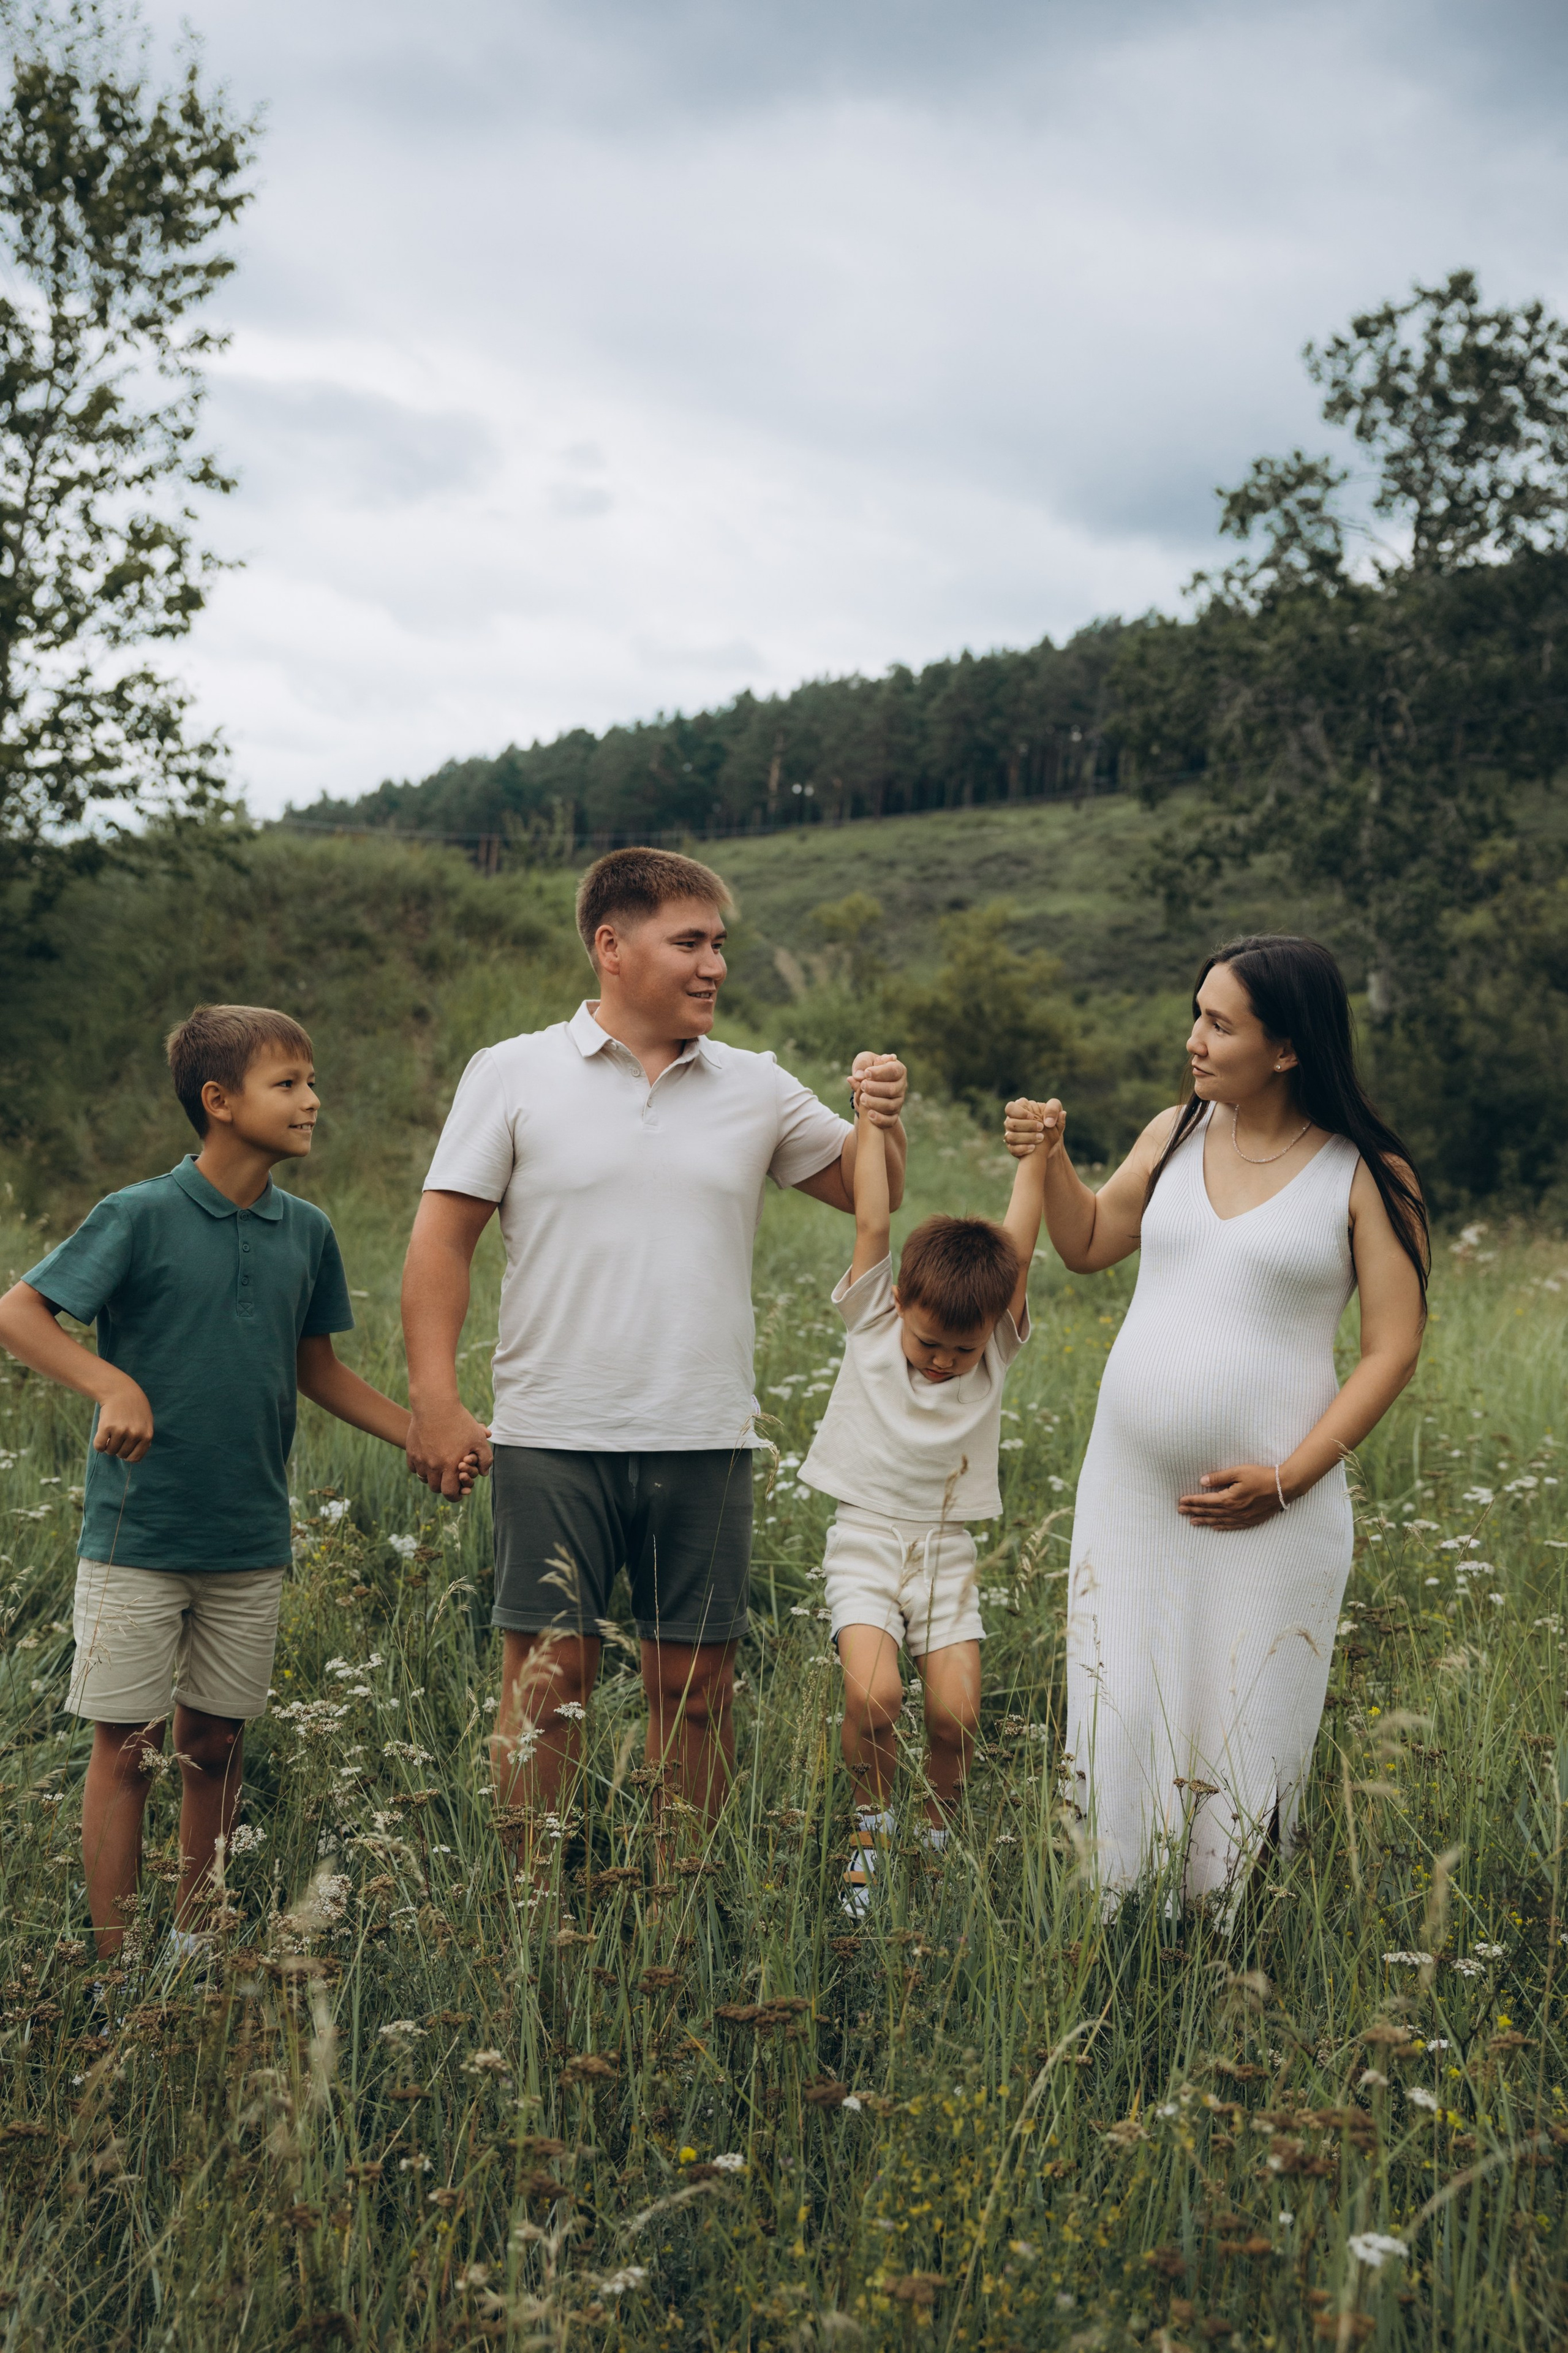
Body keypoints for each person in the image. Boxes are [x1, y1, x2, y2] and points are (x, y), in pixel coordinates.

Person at [401, 846, 908, 1852]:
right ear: (611, 947)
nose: (715, 964)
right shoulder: (511, 1073)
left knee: (698, 1685)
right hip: (552, 1431)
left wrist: (880, 1116)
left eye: (720, 944)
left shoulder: (756, 1085)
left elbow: (865, 1191)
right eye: (690, 942)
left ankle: (681, 1906)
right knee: (550, 1680)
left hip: (704, 1435)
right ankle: (528, 1902)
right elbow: (440, 1239)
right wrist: (435, 1398)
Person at [0, 1005, 442, 1971]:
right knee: (126, 1748)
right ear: (219, 1101)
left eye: (312, 1081)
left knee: (215, 1743)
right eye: (288, 1084)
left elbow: (314, 1368)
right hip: (139, 1532)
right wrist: (111, 1381)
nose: (312, 1100)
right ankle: (120, 1971)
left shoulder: (307, 1231)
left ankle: (197, 1942)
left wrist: (420, 1431)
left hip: (249, 1536)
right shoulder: (139, 1214)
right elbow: (20, 1312)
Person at [1011, 935, 1428, 1908]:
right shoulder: (1176, 1130)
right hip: (1128, 1493)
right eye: (1196, 1012)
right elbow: (1084, 1242)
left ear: (1286, 1047)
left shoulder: (1367, 1171)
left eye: (1219, 1022)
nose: (1193, 1038)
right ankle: (1117, 1916)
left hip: (1275, 1510)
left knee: (1244, 1722)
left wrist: (1291, 1476)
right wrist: (1053, 1157)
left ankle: (1227, 1942)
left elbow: (1392, 1349)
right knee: (1125, 1706)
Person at [798, 1081, 1047, 1913]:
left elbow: (1018, 1238)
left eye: (961, 1351)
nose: (942, 1361)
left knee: (956, 1714)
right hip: (866, 1535)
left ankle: (937, 1834)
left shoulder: (996, 1343)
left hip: (949, 1548)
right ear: (898, 1304)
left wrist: (1035, 1156)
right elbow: (873, 1218)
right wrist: (872, 1120)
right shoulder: (874, 1317)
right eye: (929, 1343)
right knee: (876, 1697)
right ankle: (873, 1826)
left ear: (993, 1332)